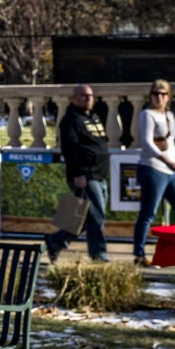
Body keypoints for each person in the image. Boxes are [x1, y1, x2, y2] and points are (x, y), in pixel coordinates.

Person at [132, 79, 175, 266]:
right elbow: (147, 143)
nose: (159, 97)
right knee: (148, 213)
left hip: (171, 171)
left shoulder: (169, 116)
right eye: (155, 94)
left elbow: (172, 145)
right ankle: (139, 253)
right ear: (150, 96)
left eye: (163, 94)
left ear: (168, 97)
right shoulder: (147, 114)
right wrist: (166, 161)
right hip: (152, 168)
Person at [46, 84, 110, 263]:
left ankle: (55, 241)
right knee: (97, 215)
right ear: (74, 98)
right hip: (85, 175)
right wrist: (78, 173)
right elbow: (70, 149)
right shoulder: (70, 119)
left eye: (90, 96)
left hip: (99, 174)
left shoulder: (94, 117)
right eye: (83, 96)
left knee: (82, 219)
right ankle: (99, 255)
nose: (87, 99)